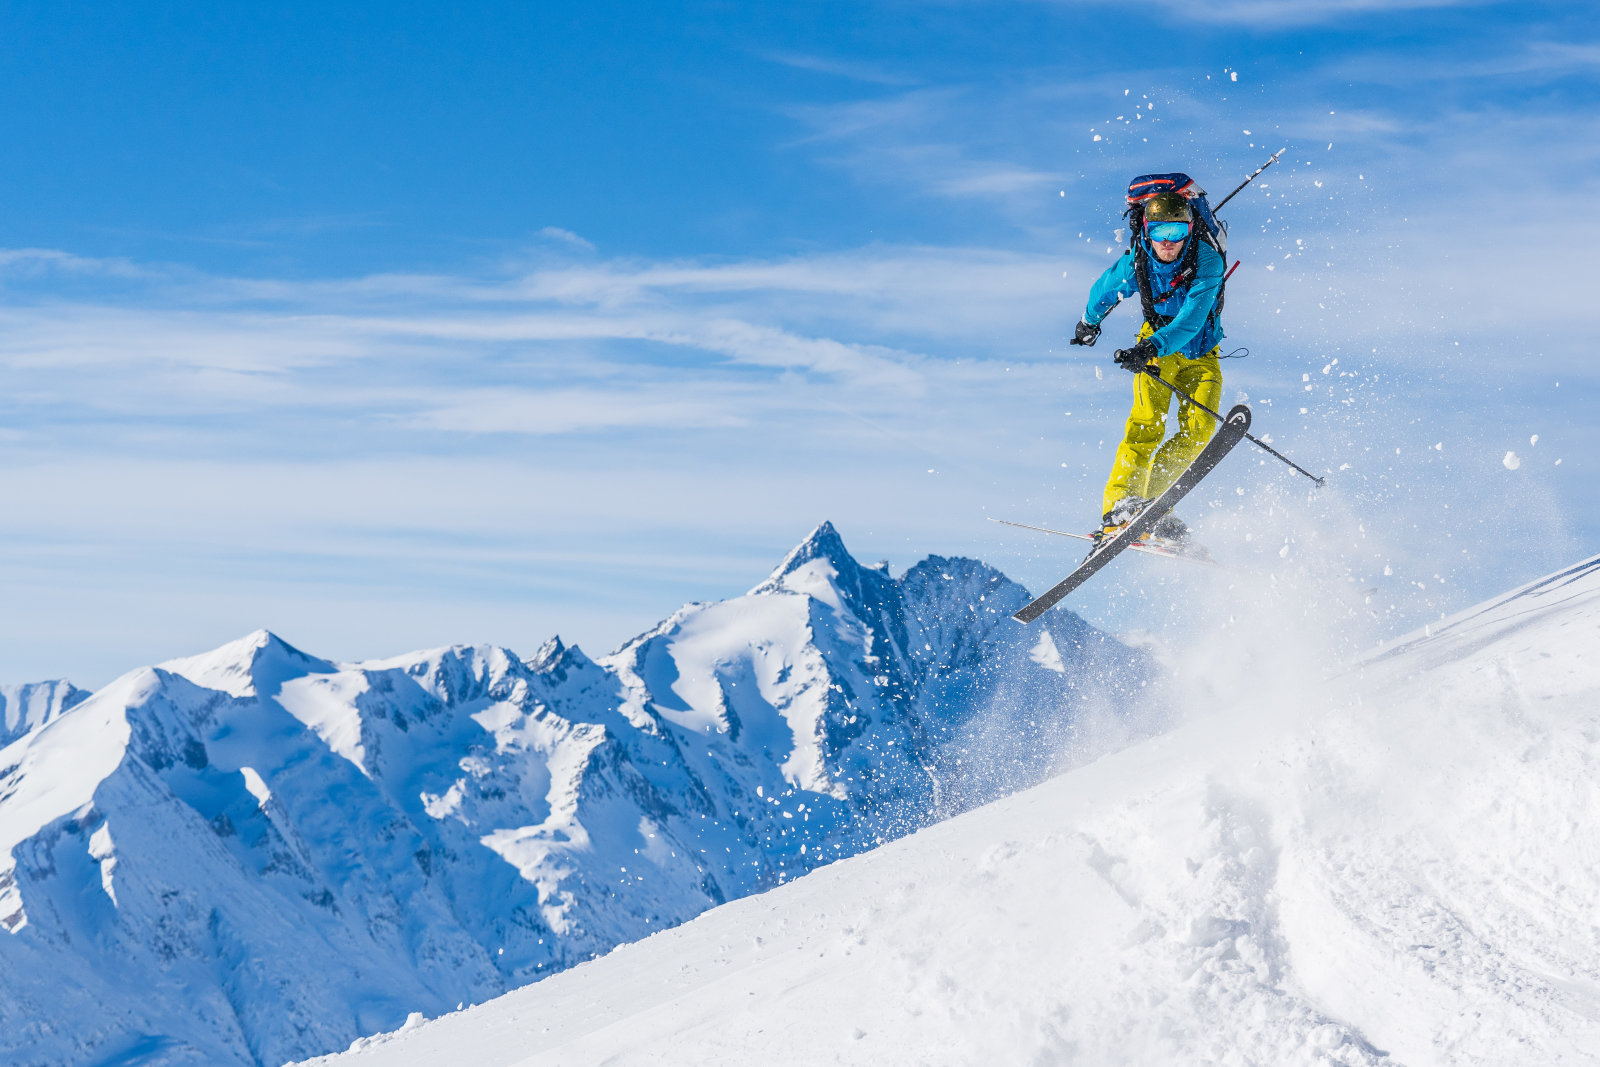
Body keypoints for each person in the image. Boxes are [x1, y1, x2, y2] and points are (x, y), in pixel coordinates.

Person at [1070, 186, 1226, 545]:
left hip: (1199, 351)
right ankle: (1120, 507)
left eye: (1176, 232)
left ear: (1189, 231)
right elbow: (1104, 290)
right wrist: (1088, 322)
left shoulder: (1207, 263)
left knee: (1199, 433)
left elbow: (1191, 320)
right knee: (1146, 424)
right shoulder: (1138, 262)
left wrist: (1149, 347)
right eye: (1158, 232)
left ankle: (1154, 508)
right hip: (1156, 347)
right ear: (1146, 231)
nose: (1167, 242)